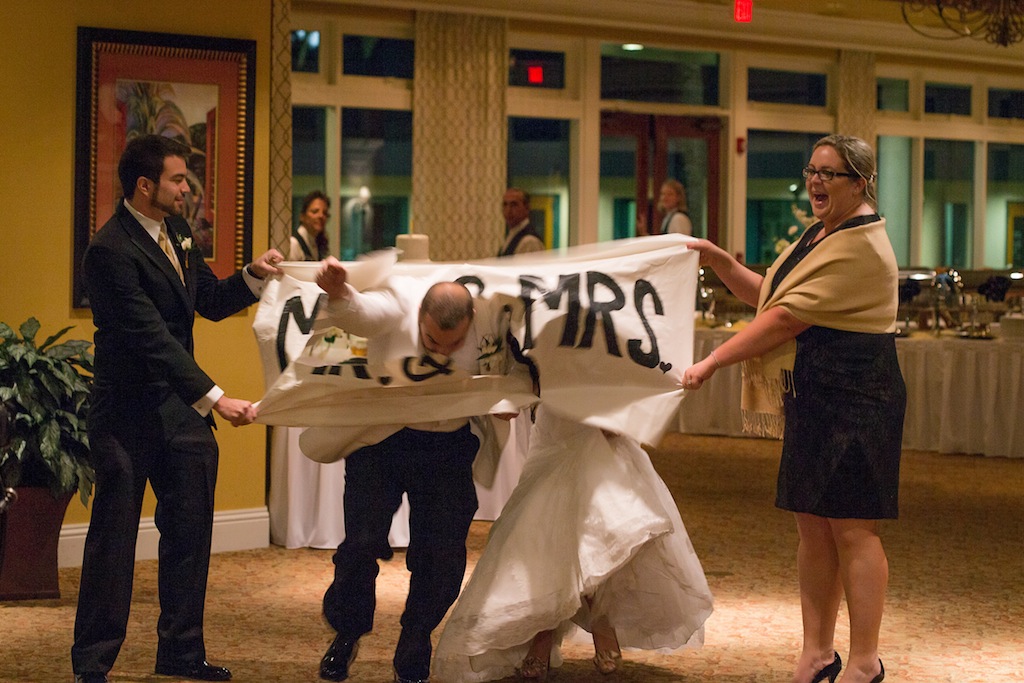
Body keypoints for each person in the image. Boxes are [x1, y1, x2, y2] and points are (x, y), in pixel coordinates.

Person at [681, 134, 901, 683]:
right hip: (815, 391)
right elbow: (771, 297)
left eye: (831, 173)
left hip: (858, 395)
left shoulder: (860, 244)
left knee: (854, 530)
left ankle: (865, 661)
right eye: (812, 170)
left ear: (862, 183)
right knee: (813, 528)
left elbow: (782, 323)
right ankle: (817, 653)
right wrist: (719, 261)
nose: (816, 182)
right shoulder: (819, 234)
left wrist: (712, 362)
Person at [72, 135, 283, 683]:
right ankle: (92, 665)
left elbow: (207, 303)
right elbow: (151, 339)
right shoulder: (109, 250)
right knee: (113, 544)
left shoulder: (180, 233)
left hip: (178, 415)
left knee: (190, 534)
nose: (188, 188)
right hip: (124, 415)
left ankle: (181, 654)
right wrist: (217, 397)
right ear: (146, 186)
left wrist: (254, 275)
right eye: (178, 180)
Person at [313, 260, 517, 683]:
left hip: (446, 447)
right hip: (382, 442)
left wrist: (505, 395)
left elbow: (510, 367)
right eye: (431, 340)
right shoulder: (398, 303)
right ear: (419, 316)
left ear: (471, 322)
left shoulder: (489, 320)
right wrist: (339, 293)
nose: (442, 350)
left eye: (453, 343)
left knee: (442, 553)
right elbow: (359, 314)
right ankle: (347, 633)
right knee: (360, 543)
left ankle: (416, 635)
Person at [433, 406, 713, 682]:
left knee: (594, 530)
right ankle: (568, 628)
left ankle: (570, 629)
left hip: (603, 419)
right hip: (556, 420)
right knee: (546, 528)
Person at [498, 188, 544, 256]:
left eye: (514, 205)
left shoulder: (530, 241)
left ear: (527, 208)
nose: (508, 210)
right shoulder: (512, 235)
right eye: (505, 205)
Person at [289, 190, 331, 261]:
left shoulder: (316, 243)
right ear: (302, 216)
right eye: (315, 211)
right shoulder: (294, 243)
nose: (321, 216)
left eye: (325, 213)